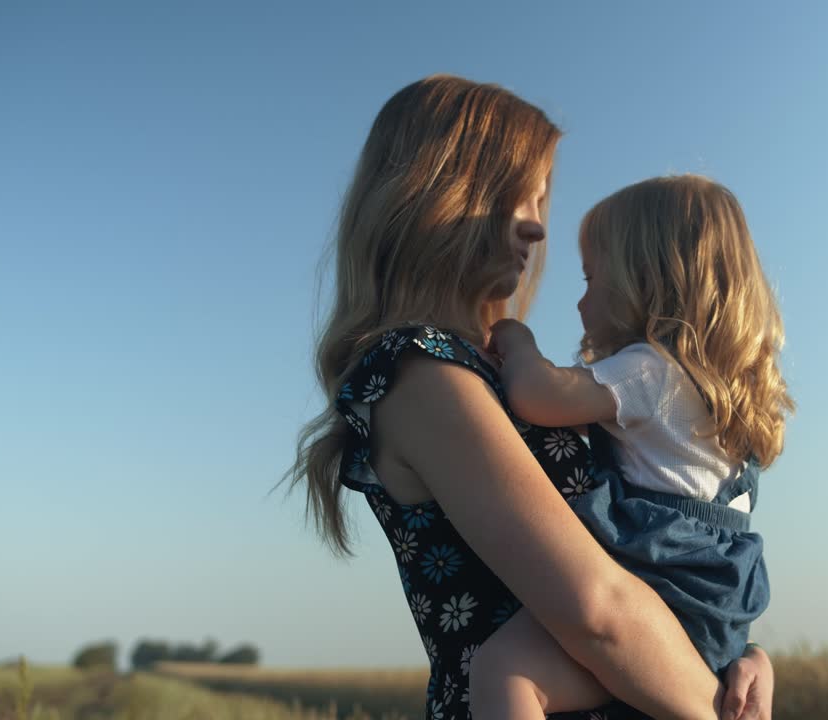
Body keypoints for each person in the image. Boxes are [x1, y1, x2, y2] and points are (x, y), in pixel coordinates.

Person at [286, 75, 774, 720]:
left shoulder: (479, 369)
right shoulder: (423, 374)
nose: (539, 227)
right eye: (521, 192)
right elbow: (599, 611)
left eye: (542, 197)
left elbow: (642, 572)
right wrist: (718, 703)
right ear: (444, 192)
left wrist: (739, 652)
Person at [469, 175, 793, 719]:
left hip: (658, 592)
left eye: (592, 279)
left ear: (644, 281)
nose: (579, 301)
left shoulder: (649, 372)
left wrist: (515, 339)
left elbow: (536, 396)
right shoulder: (719, 402)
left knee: (504, 671)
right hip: (716, 618)